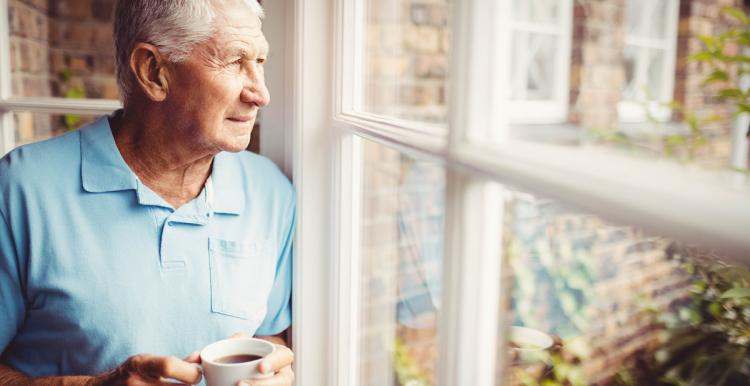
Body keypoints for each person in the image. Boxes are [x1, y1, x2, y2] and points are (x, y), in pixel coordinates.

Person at [0, 0, 295, 385]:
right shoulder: (21, 188)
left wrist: (275, 372)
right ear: (153, 72)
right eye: (235, 61)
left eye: (260, 62)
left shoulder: (270, 192)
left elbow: (270, 335)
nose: (260, 93)